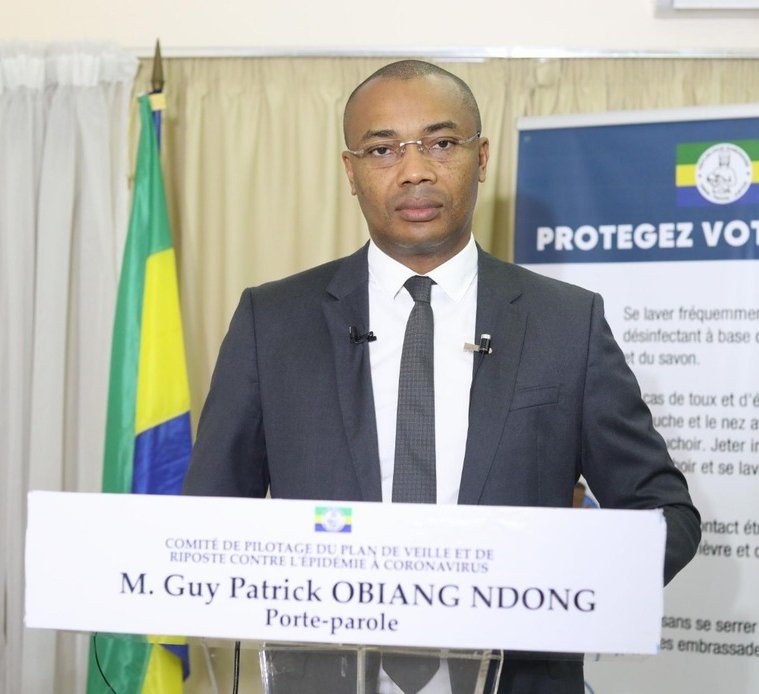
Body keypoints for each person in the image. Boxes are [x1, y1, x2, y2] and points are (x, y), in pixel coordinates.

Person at [184, 60, 701, 694]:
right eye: (383, 149)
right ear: (350, 171)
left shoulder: (567, 323)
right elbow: (209, 521)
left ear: (480, 158)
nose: (415, 170)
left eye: (441, 143)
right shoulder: (273, 322)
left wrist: (558, 586)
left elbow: (664, 514)